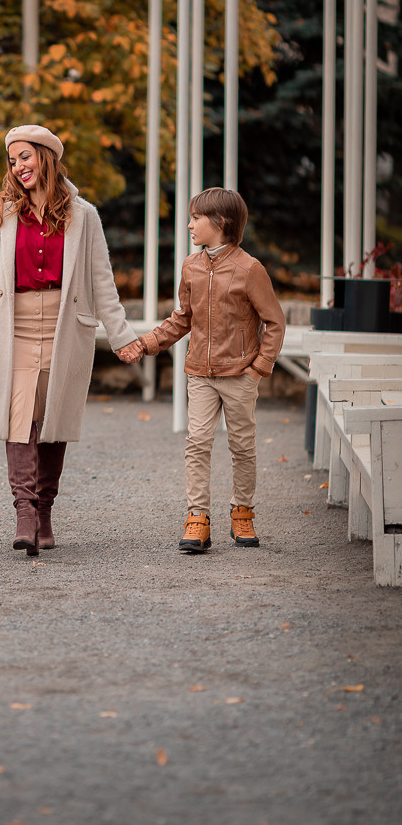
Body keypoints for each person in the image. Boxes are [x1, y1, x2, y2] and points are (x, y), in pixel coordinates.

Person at [0, 124, 140, 555]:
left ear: (46, 156)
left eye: (26, 156)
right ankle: (24, 511)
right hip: (13, 326)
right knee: (17, 416)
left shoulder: (84, 215)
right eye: (12, 160)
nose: (19, 166)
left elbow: (102, 283)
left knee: (54, 420)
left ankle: (44, 513)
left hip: (64, 325)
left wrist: (122, 337)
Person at [128, 188, 286, 553]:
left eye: (196, 218)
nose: (189, 225)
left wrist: (259, 368)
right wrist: (146, 344)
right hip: (199, 373)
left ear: (221, 222)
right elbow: (183, 318)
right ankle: (197, 517)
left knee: (242, 445)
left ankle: (242, 512)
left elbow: (274, 322)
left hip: (240, 374)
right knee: (197, 443)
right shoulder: (191, 266)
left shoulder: (250, 269)